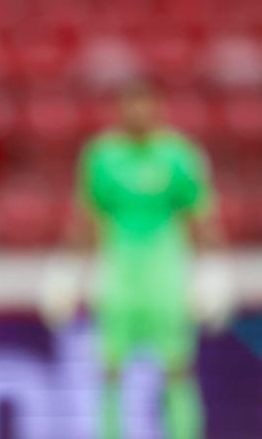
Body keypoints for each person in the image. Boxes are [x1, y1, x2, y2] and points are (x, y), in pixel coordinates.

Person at [74, 82, 219, 439]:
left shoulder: (179, 155)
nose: (137, 114)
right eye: (131, 105)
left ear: (157, 108)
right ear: (121, 109)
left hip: (166, 272)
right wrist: (72, 271)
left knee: (177, 367)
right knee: (110, 367)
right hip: (119, 272)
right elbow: (89, 218)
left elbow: (199, 217)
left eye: (145, 105)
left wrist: (212, 271)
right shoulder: (102, 156)